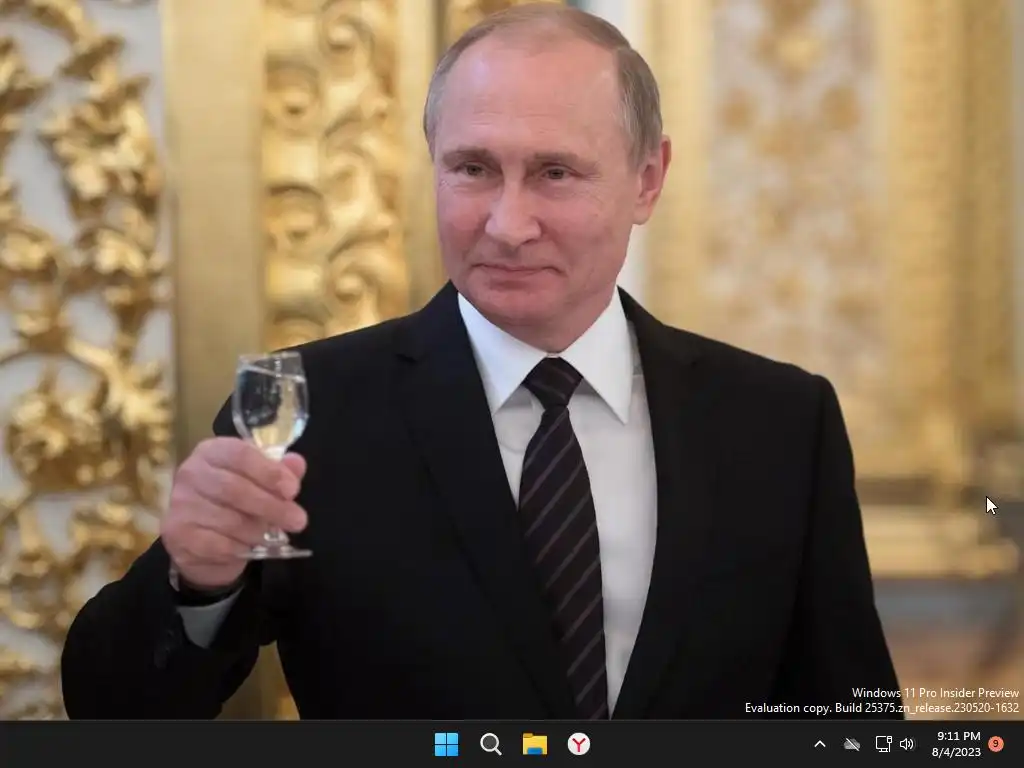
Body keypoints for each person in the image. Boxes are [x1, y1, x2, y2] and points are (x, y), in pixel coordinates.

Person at [61, 4, 902, 720]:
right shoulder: (309, 407)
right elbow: (113, 707)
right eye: (473, 169)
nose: (507, 224)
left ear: (647, 180)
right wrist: (196, 585)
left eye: (555, 173)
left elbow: (847, 718)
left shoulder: (779, 424)